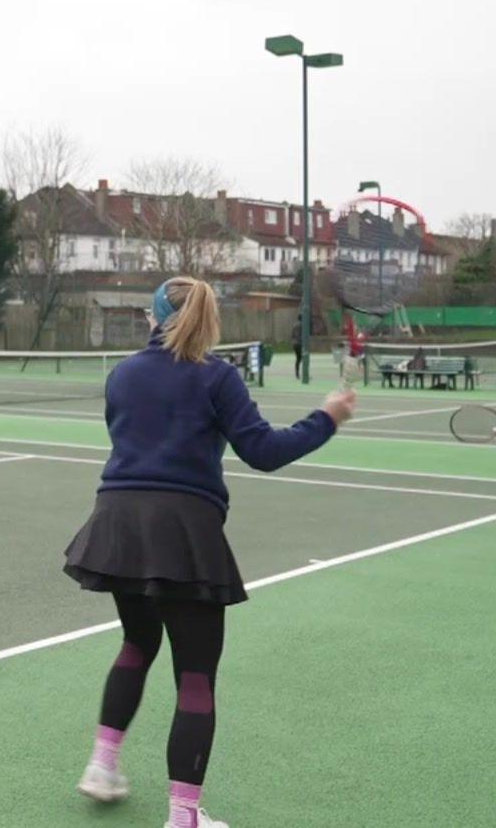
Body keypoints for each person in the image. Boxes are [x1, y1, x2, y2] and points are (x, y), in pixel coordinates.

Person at [64, 276, 356, 828]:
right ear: (208, 319)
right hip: (182, 531)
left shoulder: (122, 374)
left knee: (136, 642)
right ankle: (184, 817)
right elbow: (264, 451)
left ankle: (102, 766)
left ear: (151, 318)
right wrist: (328, 418)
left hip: (118, 522)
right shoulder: (218, 377)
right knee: (195, 677)